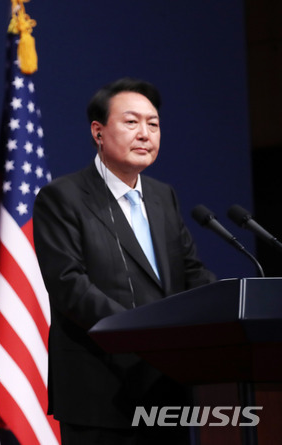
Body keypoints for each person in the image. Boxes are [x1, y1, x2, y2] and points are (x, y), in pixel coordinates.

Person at [33, 78, 215, 444]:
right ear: (98, 132)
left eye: (154, 124)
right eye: (132, 122)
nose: (145, 134)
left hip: (165, 387)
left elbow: (191, 273)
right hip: (99, 390)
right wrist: (139, 334)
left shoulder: (164, 197)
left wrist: (226, 305)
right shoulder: (63, 198)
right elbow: (70, 285)